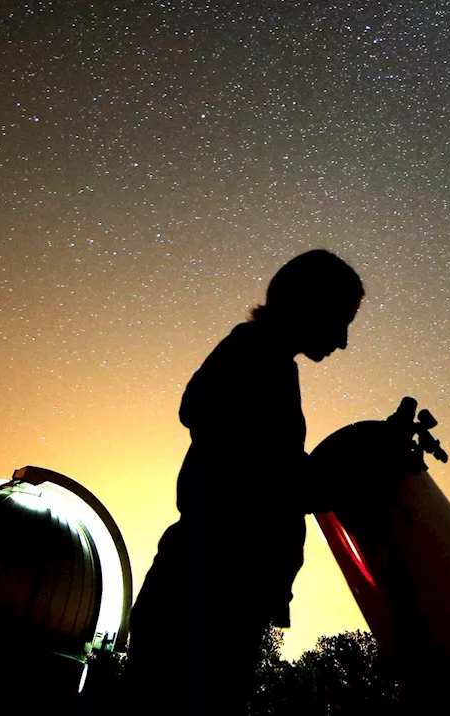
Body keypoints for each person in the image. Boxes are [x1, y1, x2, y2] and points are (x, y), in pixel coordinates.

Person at [125, 249, 364, 713]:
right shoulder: (256, 362)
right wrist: (350, 478)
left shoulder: (265, 364)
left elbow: (271, 470)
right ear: (308, 306)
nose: (344, 339)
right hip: (209, 597)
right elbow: (270, 479)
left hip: (209, 590)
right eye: (341, 318)